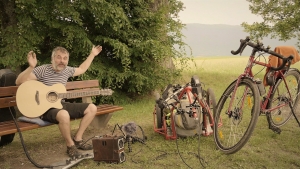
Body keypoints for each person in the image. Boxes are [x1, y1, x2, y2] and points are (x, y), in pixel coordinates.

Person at [15, 45, 102, 158]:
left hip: (60, 104)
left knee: (92, 108)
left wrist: (92, 54)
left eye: (65, 58)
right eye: (59, 57)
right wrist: (31, 67)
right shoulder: (43, 69)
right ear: (52, 59)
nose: (62, 61)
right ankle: (70, 146)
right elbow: (18, 81)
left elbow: (81, 69)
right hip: (45, 109)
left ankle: (78, 139)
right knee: (64, 114)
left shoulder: (67, 70)